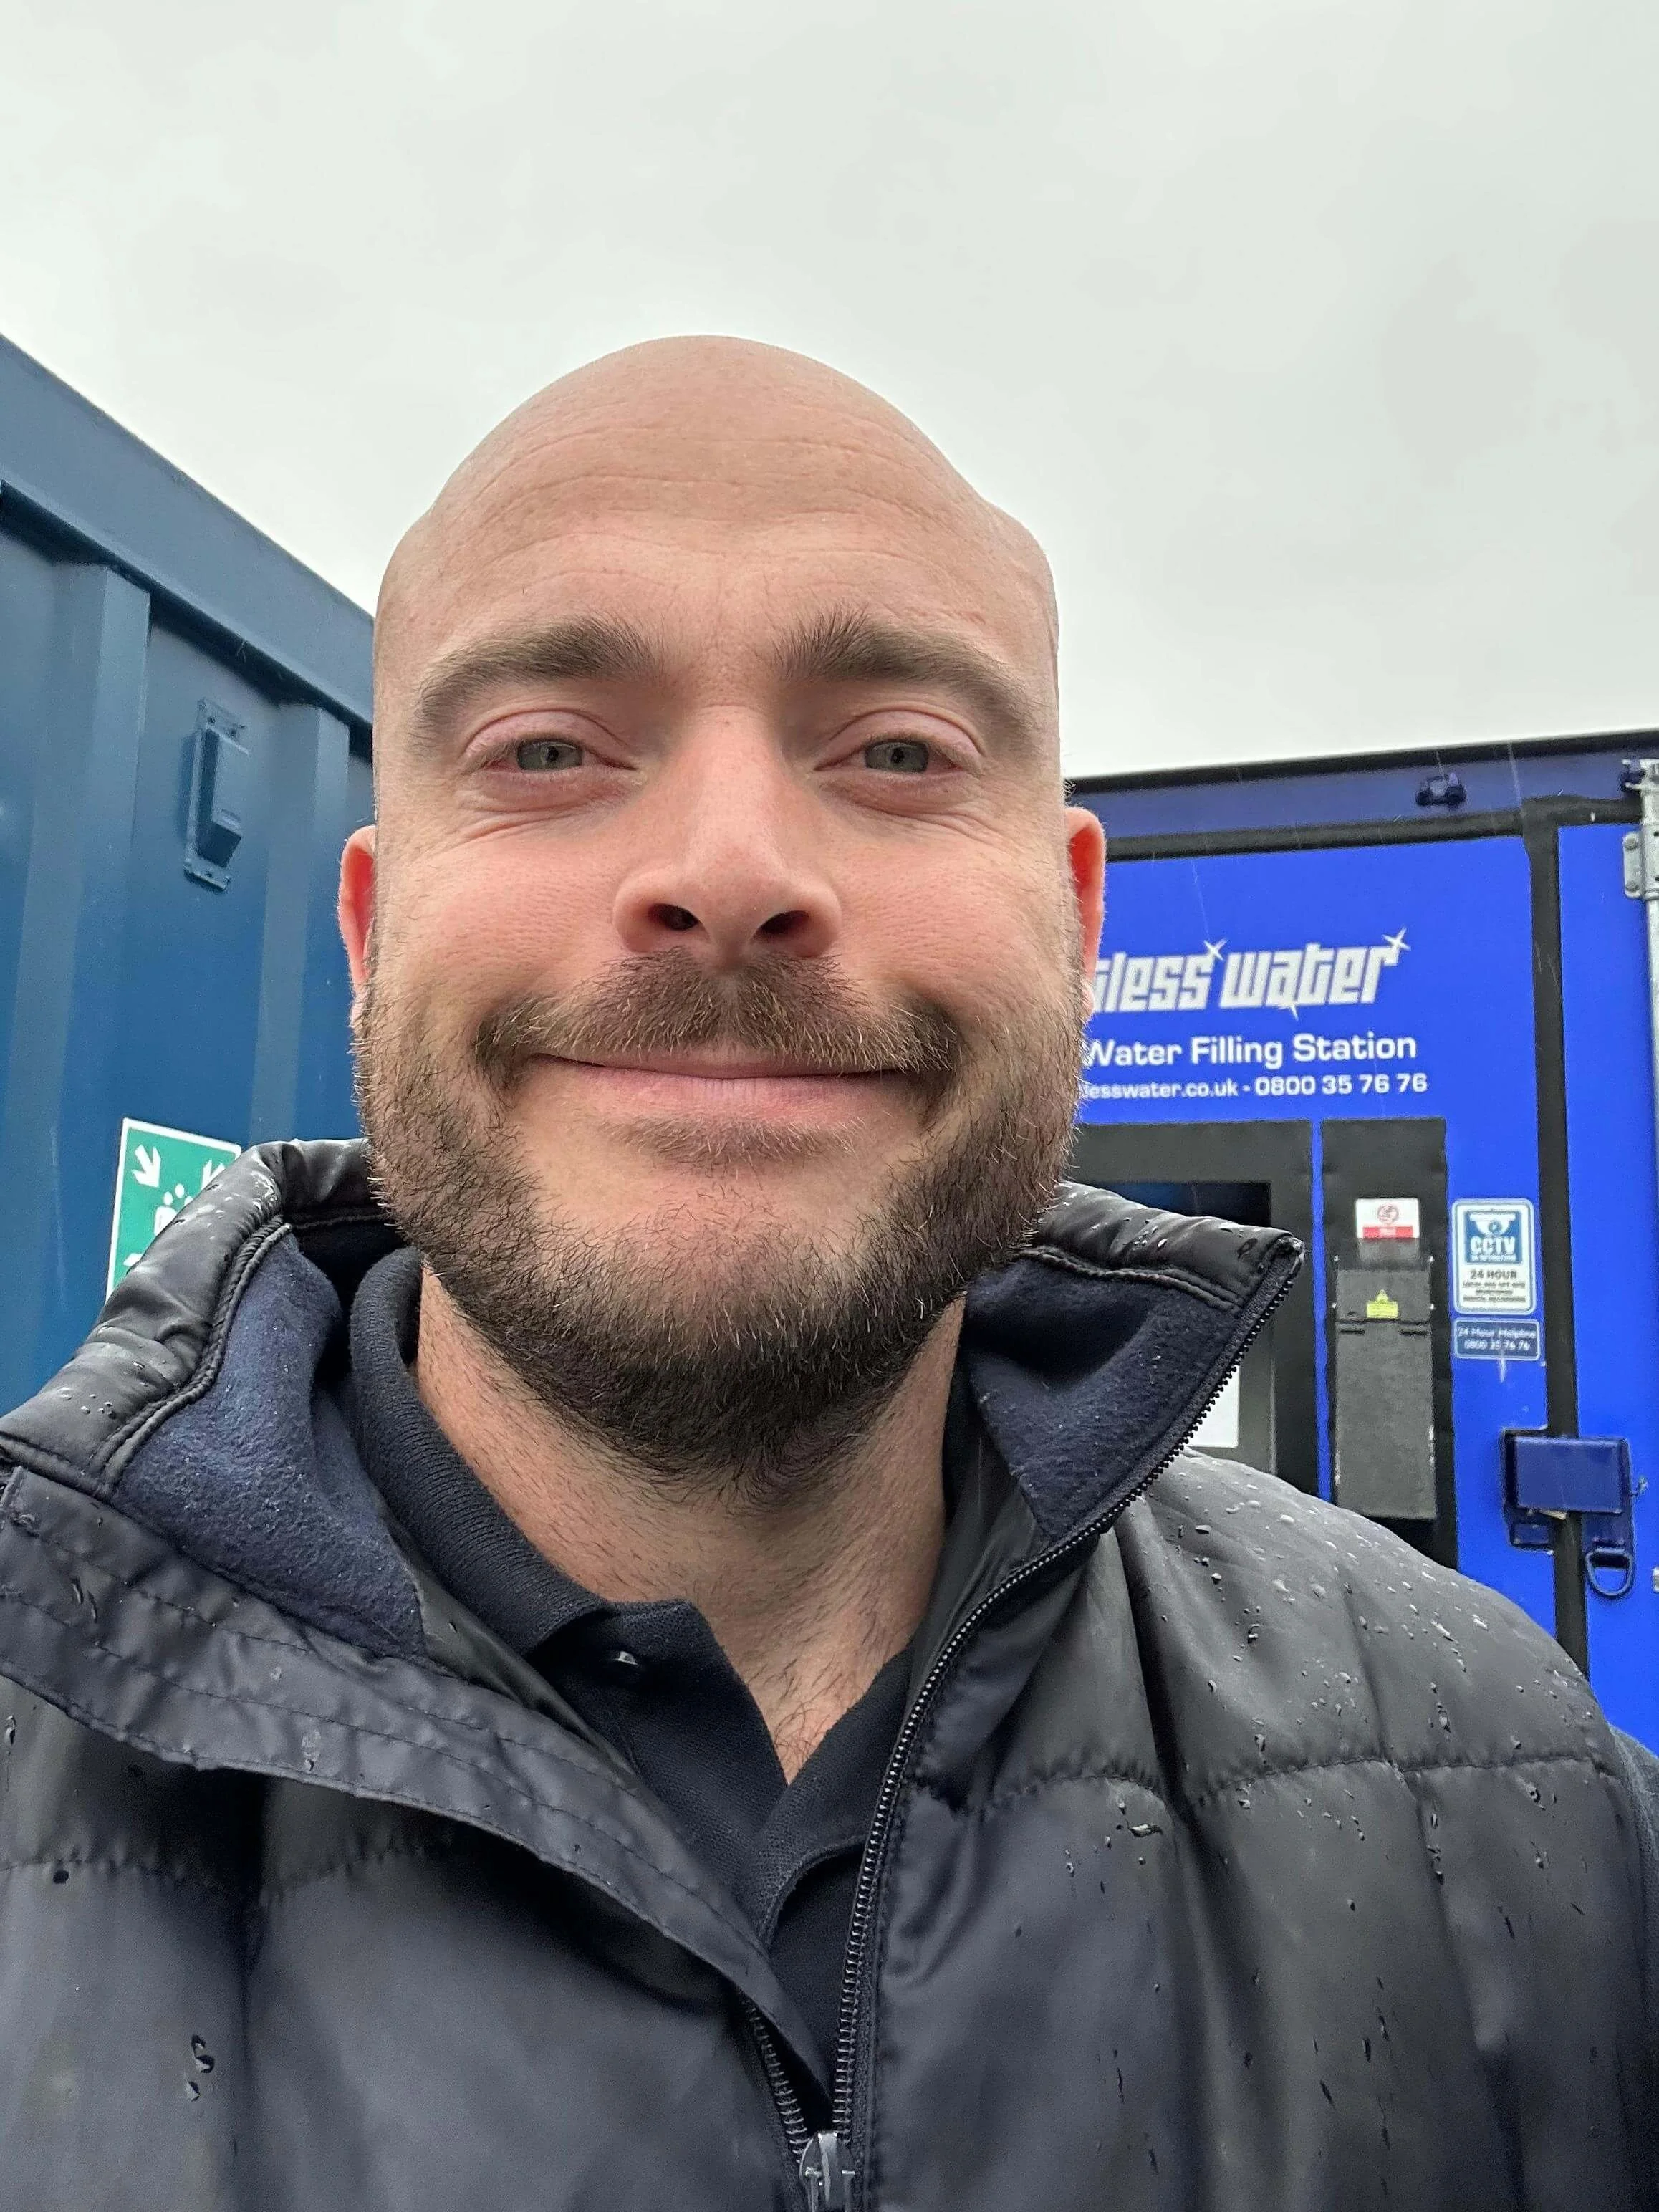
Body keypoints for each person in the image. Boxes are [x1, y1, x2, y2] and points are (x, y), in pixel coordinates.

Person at [0, 338, 1652, 2212]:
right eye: (549, 748)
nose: (727, 868)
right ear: (373, 934)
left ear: (1074, 926)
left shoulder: (1525, 1808)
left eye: (890, 752)